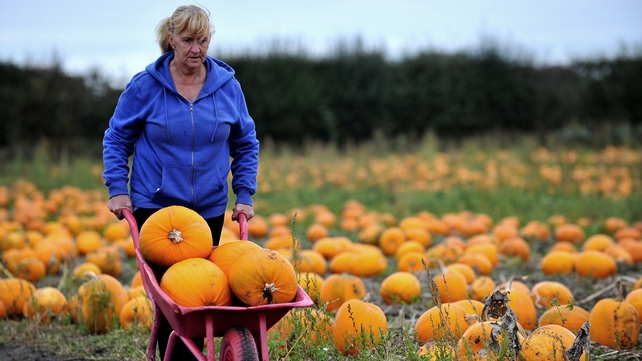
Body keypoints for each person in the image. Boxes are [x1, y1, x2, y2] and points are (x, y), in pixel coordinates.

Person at [102, 5, 259, 360]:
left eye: (202, 40)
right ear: (171, 39)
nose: (196, 49)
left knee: (204, 294)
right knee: (176, 302)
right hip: (157, 211)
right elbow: (116, 138)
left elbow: (246, 142)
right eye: (188, 40)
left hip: (207, 208)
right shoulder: (145, 87)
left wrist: (245, 194)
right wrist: (118, 190)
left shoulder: (227, 87)